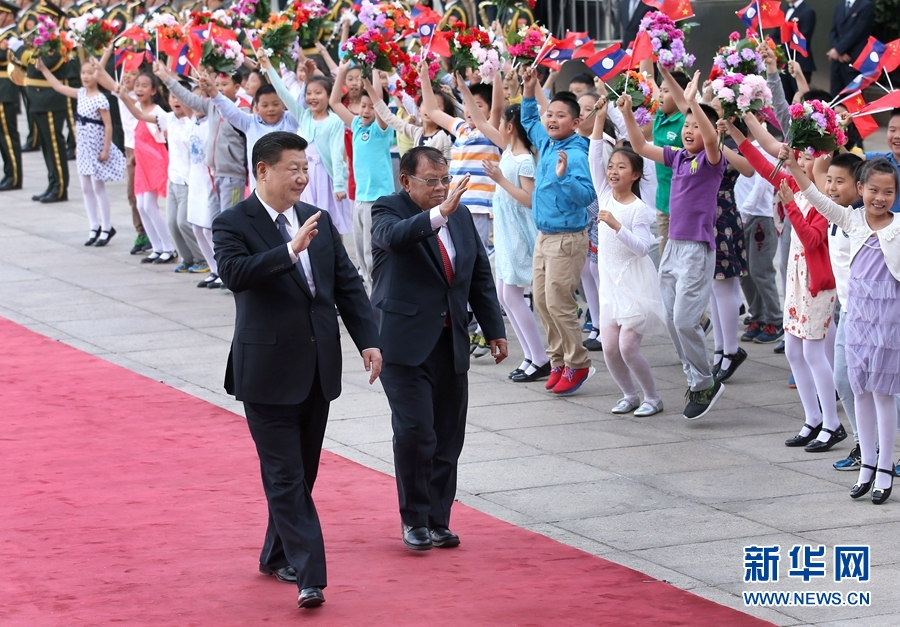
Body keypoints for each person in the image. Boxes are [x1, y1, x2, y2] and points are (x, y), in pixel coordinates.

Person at [212, 131, 381, 608]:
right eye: (293, 169)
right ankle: (310, 574)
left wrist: (367, 339)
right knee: (285, 476)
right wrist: (289, 251)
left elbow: (346, 284)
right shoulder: (233, 221)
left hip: (317, 368)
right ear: (262, 171)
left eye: (306, 169)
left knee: (301, 474)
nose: (303, 178)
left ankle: (274, 553)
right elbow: (236, 274)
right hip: (265, 372)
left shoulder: (317, 218)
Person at [371, 146, 507, 551]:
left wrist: (493, 327)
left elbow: (479, 274)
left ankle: (437, 519)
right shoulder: (388, 210)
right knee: (416, 432)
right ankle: (413, 520)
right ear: (406, 181)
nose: (441, 188)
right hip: (404, 343)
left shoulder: (460, 214)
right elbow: (393, 238)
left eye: (444, 179)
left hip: (451, 341)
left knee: (448, 435)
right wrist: (439, 213)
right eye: (431, 181)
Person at [788, 154, 900, 503]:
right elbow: (817, 196)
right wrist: (793, 167)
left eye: (889, 192)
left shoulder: (898, 228)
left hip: (889, 324)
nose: (880, 198)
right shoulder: (851, 221)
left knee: (883, 395)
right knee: (860, 391)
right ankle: (866, 464)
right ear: (861, 188)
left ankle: (884, 466)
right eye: (873, 190)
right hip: (856, 321)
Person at [734, 116, 844, 453]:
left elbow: (812, 241)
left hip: (817, 283)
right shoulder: (795, 186)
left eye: (813, 158)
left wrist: (788, 206)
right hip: (797, 279)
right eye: (803, 156)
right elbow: (762, 160)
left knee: (812, 351)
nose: (803, 161)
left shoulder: (828, 202)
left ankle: (833, 423)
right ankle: (812, 418)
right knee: (795, 350)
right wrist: (738, 128)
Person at [622, 67, 726, 420]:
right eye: (686, 126)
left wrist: (694, 103)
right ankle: (696, 378)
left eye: (695, 126)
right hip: (673, 247)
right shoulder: (678, 156)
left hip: (697, 247)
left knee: (684, 319)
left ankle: (705, 381)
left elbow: (711, 139)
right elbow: (639, 146)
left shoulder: (712, 161)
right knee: (670, 317)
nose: (689, 131)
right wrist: (625, 114)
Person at [456, 79, 548, 383]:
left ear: (511, 126)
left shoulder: (523, 160)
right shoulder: (508, 149)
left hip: (520, 231)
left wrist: (499, 179)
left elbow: (530, 199)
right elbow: (480, 119)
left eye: (504, 120)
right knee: (505, 295)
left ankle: (540, 358)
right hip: (506, 230)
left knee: (511, 294)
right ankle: (531, 357)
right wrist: (463, 88)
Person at [520, 66, 597, 395]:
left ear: (576, 123)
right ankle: (558, 361)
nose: (551, 120)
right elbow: (528, 121)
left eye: (560, 116)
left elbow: (588, 197)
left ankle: (578, 363)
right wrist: (528, 88)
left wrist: (565, 176)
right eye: (549, 114)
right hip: (544, 237)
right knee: (541, 300)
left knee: (558, 302)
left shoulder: (577, 153)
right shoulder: (547, 142)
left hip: (567, 239)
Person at [589, 99, 667, 416]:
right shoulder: (604, 192)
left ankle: (653, 397)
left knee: (627, 346)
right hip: (610, 284)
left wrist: (616, 224)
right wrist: (599, 117)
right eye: (612, 167)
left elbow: (642, 248)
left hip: (634, 284)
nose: (613, 171)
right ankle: (629, 394)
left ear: (635, 174)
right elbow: (595, 153)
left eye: (621, 167)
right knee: (609, 348)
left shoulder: (638, 209)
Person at [35, 57, 125, 247]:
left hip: (97, 146)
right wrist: (44, 69)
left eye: (90, 73)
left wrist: (106, 148)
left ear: (98, 75)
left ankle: (107, 227)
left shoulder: (101, 99)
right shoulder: (81, 94)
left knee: (98, 187)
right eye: (83, 72)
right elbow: (59, 87)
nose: (86, 76)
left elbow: (108, 126)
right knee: (85, 187)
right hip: (83, 147)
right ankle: (94, 226)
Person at [260, 53, 351, 235]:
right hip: (305, 175)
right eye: (309, 93)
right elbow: (283, 93)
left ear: (329, 95)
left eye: (318, 93)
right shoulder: (304, 116)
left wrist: (339, 185)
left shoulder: (334, 121)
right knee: (308, 222)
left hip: (326, 176)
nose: (312, 97)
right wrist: (268, 65)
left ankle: (335, 259)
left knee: (330, 222)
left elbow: (336, 152)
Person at [330, 59, 396, 294]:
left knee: (372, 254)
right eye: (363, 106)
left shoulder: (381, 129)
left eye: (371, 106)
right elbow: (334, 102)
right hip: (359, 199)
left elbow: (378, 99)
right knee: (360, 254)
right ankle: (371, 298)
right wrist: (343, 70)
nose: (366, 110)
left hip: (377, 201)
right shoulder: (357, 124)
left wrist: (375, 66)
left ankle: (379, 299)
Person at [157, 63, 250, 220]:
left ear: (237, 87)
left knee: (232, 223)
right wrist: (166, 78)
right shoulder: (212, 106)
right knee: (215, 223)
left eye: (224, 84)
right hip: (213, 175)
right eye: (217, 84)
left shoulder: (244, 112)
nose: (219, 88)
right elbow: (188, 98)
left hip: (233, 176)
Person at [113, 74, 176, 264]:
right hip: (142, 163)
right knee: (141, 206)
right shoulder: (138, 107)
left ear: (154, 91)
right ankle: (157, 248)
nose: (140, 88)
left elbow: (141, 117)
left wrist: (123, 96)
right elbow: (133, 109)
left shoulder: (158, 112)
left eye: (145, 86)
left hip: (155, 162)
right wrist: (121, 93)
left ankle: (169, 248)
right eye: (137, 85)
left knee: (149, 205)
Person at [15, 0, 69, 203]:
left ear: (55, 19)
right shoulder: (41, 39)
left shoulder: (58, 40)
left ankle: (60, 187)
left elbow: (44, 63)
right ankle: (52, 184)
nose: (41, 22)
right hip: (37, 97)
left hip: (50, 98)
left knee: (54, 145)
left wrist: (21, 51)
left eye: (46, 17)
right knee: (47, 145)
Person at [827, 0, 874, 96]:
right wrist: (837, 51)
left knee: (853, 97)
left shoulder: (865, 5)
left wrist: (838, 50)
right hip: (837, 62)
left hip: (853, 60)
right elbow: (833, 31)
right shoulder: (840, 5)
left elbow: (857, 32)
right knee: (835, 97)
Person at [0, 1, 21, 192]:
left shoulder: (12, 35)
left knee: (8, 135)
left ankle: (14, 176)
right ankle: (8, 172)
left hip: (6, 88)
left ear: (9, 16)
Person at [778, 0, 816, 103]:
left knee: (801, 99)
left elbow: (803, 36)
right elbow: (777, 35)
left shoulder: (808, 11)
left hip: (800, 62)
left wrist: (781, 52)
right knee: (786, 98)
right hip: (784, 64)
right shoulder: (784, 11)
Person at [864, 109, 900, 213]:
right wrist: (837, 130)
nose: (897, 136)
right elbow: (847, 157)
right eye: (892, 130)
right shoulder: (880, 160)